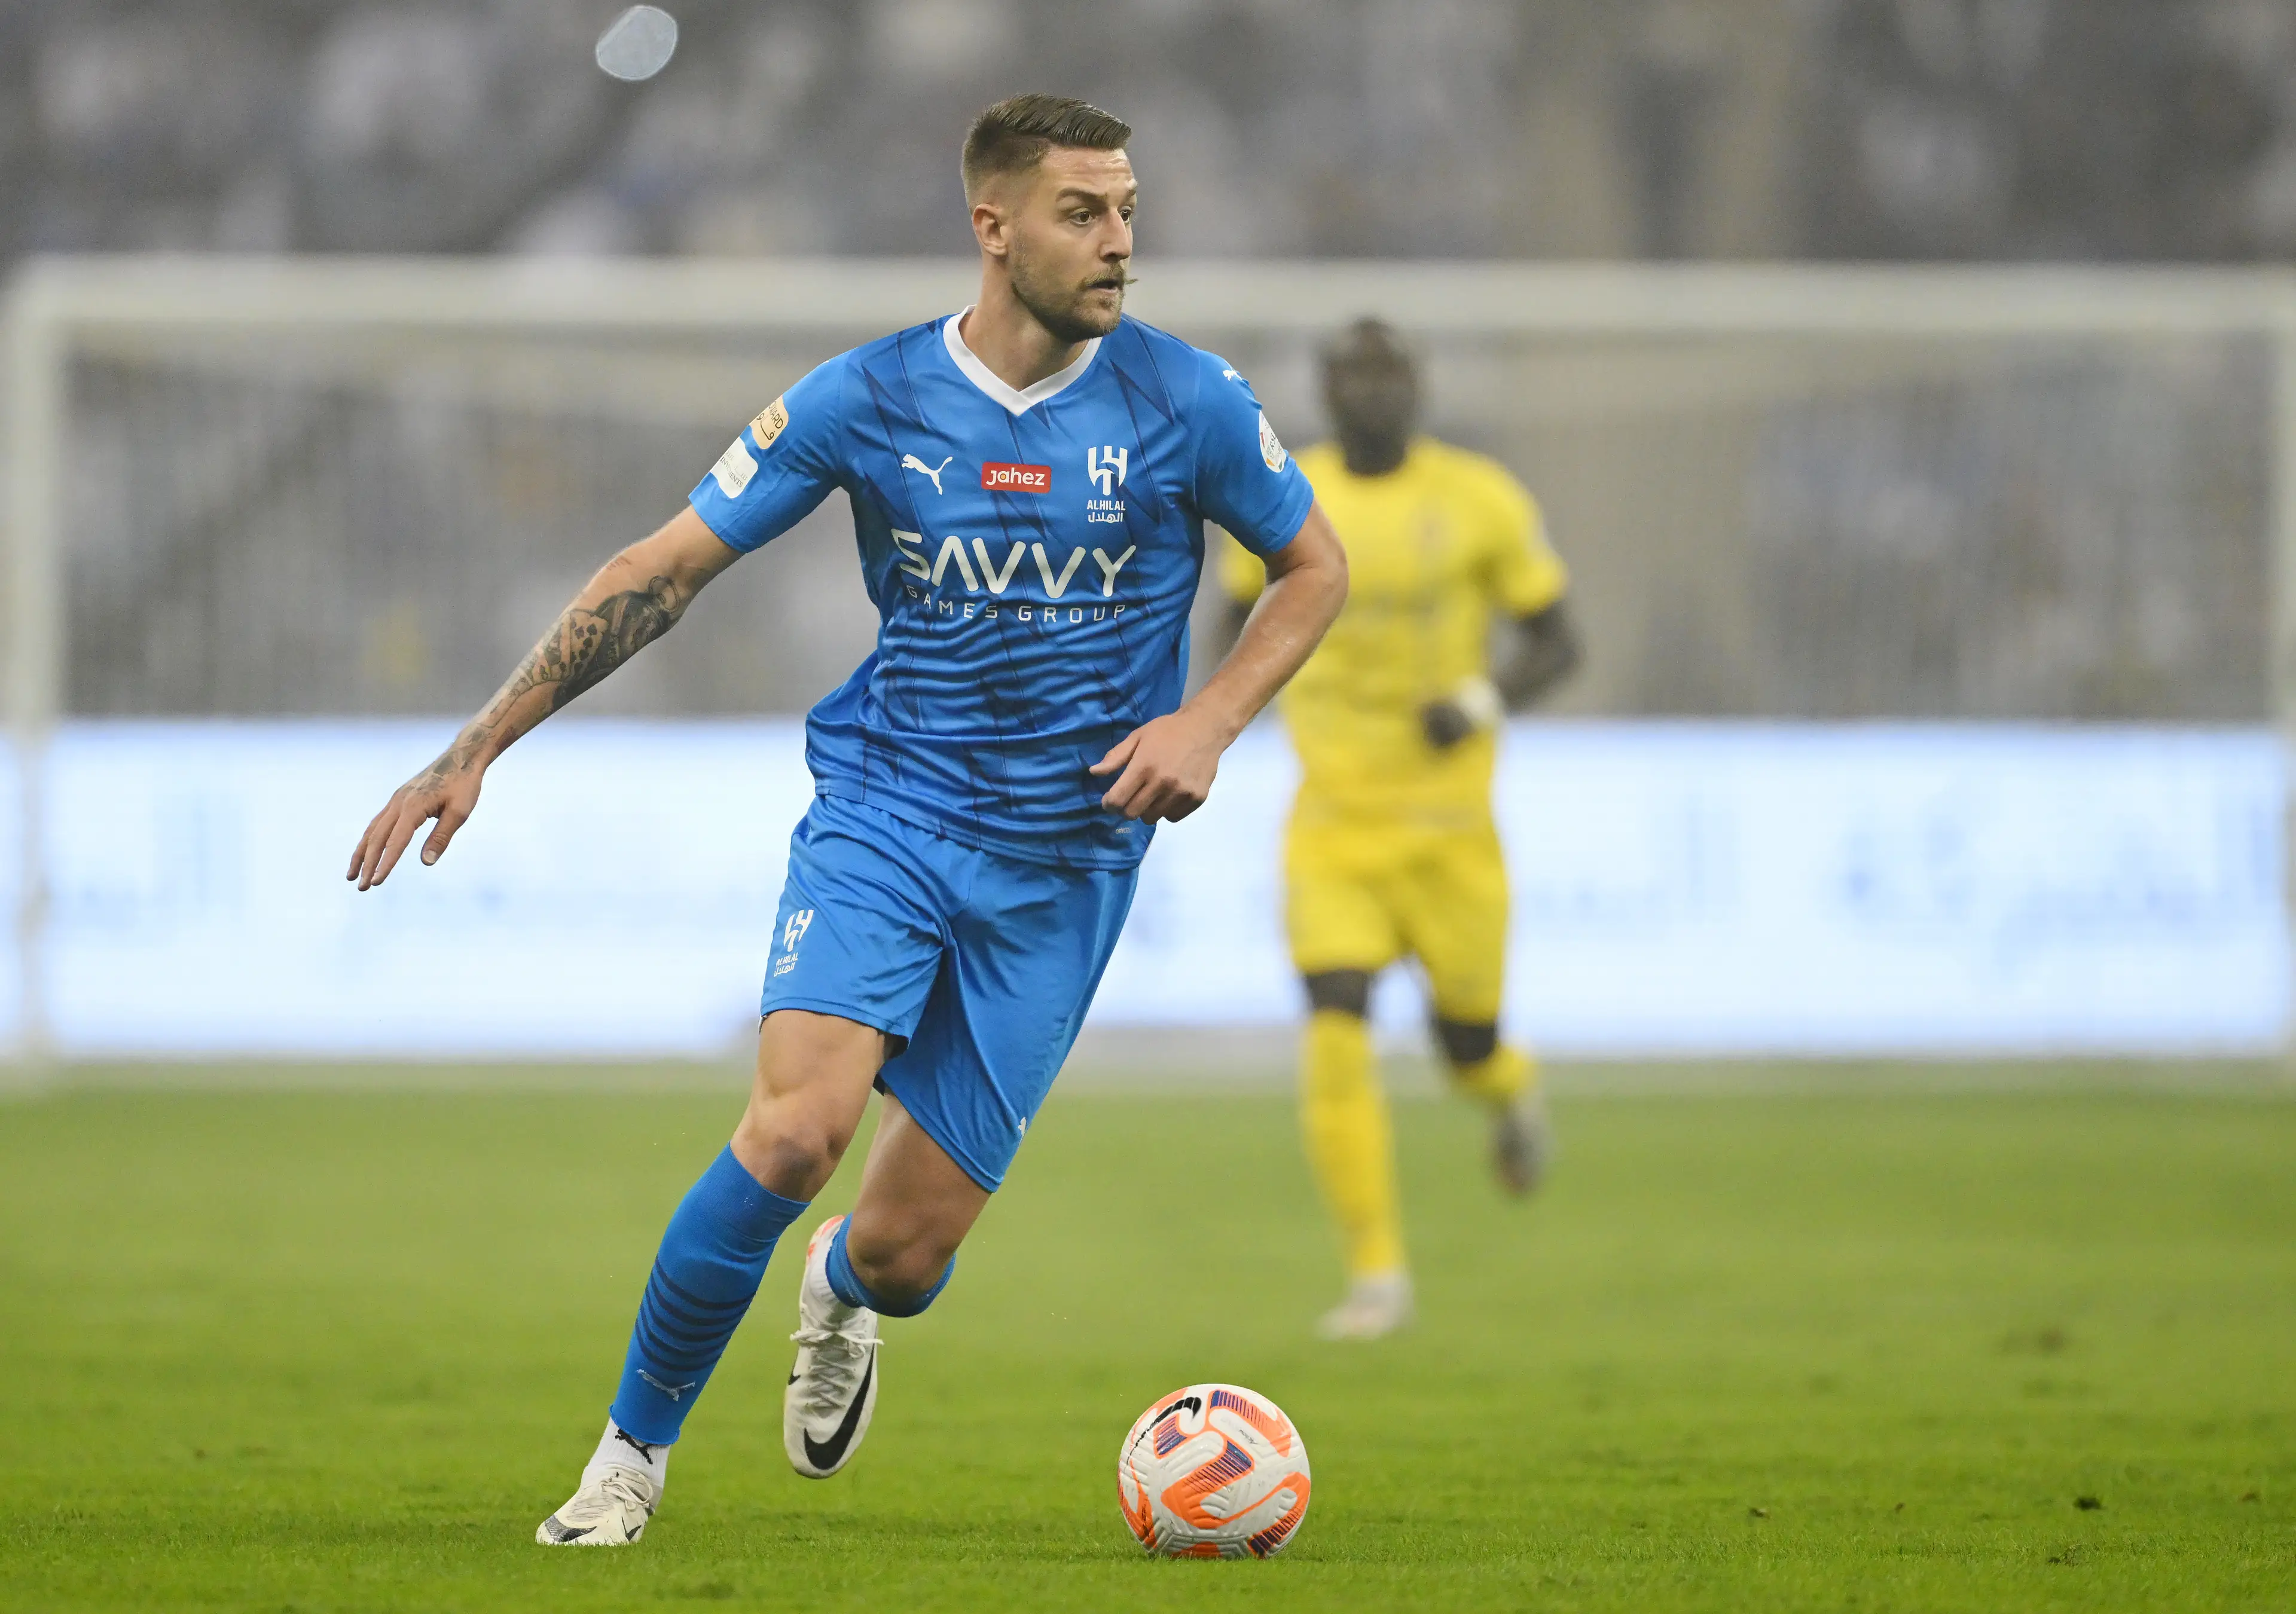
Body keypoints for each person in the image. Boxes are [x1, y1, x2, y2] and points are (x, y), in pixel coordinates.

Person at [346, 94, 1347, 1545]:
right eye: (1085, 212)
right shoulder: (868, 398)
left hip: (1067, 865)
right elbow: (667, 565)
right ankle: (627, 1462)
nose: (1121, 241)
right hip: (889, 814)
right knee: (795, 1131)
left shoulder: (1187, 400)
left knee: (905, 1250)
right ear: (992, 227)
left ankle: (843, 1298)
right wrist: (478, 742)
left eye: (1129, 209)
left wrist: (1209, 720)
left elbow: (1312, 568)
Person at [1215, 318, 1580, 1341]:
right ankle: (1377, 1274)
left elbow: (1559, 642)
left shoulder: (1480, 499)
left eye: (1390, 377)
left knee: (1468, 1046)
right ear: (1327, 394)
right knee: (1335, 1030)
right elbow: (1229, 619)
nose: (1374, 396)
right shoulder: (1286, 495)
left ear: (1417, 389)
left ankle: (1512, 1091)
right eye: (1354, 379)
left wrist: (1480, 700)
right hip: (1332, 827)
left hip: (1452, 834)